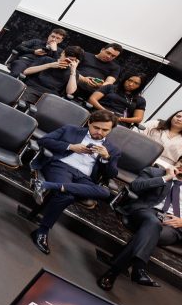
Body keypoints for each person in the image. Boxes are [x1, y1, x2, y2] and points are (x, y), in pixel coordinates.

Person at [28, 109, 121, 255]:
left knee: (105, 191)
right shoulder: (71, 130)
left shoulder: (112, 150)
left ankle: (46, 185)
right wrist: (71, 147)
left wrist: (106, 158)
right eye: (96, 127)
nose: (100, 132)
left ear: (110, 130)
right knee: (66, 196)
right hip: (62, 167)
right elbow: (44, 140)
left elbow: (111, 174)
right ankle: (42, 232)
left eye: (105, 130)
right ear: (89, 123)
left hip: (85, 178)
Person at [97, 158, 182, 290]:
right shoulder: (155, 172)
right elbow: (135, 186)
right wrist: (167, 177)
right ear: (176, 163)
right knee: (153, 224)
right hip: (146, 212)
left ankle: (114, 272)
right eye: (181, 163)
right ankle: (138, 268)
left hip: (173, 227)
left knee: (148, 234)